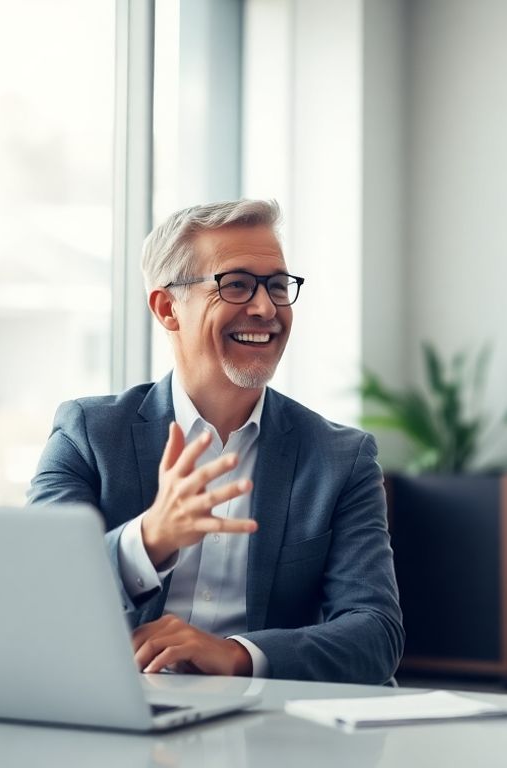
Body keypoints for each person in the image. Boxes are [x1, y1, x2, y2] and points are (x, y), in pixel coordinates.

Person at [28, 199, 403, 685]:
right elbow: (39, 592)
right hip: (124, 714)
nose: (266, 308)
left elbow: (375, 635)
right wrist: (151, 539)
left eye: (277, 286)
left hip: (273, 727)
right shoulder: (88, 433)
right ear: (168, 308)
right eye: (238, 285)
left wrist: (236, 656)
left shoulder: (340, 459)